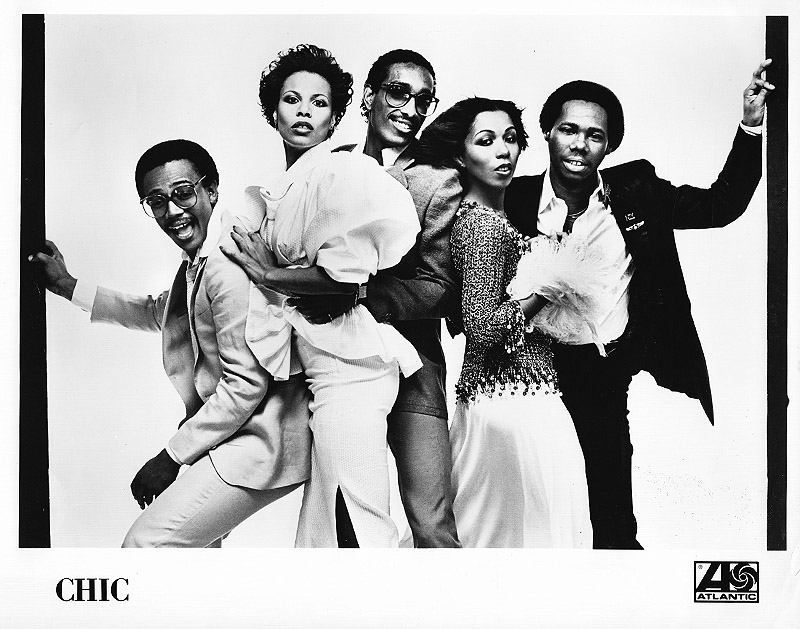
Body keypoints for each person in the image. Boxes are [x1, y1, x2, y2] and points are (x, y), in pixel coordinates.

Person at [503, 60, 775, 549]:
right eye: (568, 130)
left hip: (603, 369)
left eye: (595, 135)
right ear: (546, 132)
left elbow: (720, 206)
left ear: (609, 146)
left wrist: (751, 126)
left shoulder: (637, 191)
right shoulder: (513, 197)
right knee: (533, 504)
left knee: (611, 514)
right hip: (528, 370)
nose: (580, 144)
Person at [28, 139, 312, 547]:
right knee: (191, 559)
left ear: (211, 190)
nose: (173, 211)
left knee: (145, 545)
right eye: (157, 201)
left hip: (263, 444)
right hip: (230, 435)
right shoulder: (202, 257)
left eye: (183, 193)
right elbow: (160, 311)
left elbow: (246, 385)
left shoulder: (226, 265)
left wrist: (170, 457)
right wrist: (68, 286)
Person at [220, 44, 421, 548]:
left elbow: (345, 281)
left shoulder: (339, 173)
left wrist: (268, 272)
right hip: (319, 373)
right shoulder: (288, 186)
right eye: (292, 100)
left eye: (319, 103)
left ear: (334, 120)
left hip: (351, 373)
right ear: (273, 112)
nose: (304, 112)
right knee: (326, 529)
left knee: (356, 518)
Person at [293, 49, 462, 548]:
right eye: (398, 93)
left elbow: (439, 286)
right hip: (336, 364)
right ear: (369, 96)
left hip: (413, 371)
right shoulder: (330, 165)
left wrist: (358, 295)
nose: (410, 109)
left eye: (423, 100)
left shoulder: (438, 179)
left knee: (430, 521)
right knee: (340, 509)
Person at [413, 97, 593, 547]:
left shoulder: (492, 221)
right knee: (525, 537)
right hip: (510, 403)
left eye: (511, 139)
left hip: (509, 398)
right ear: (460, 156)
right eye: (486, 141)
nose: (503, 151)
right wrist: (545, 291)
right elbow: (483, 327)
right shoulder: (483, 227)